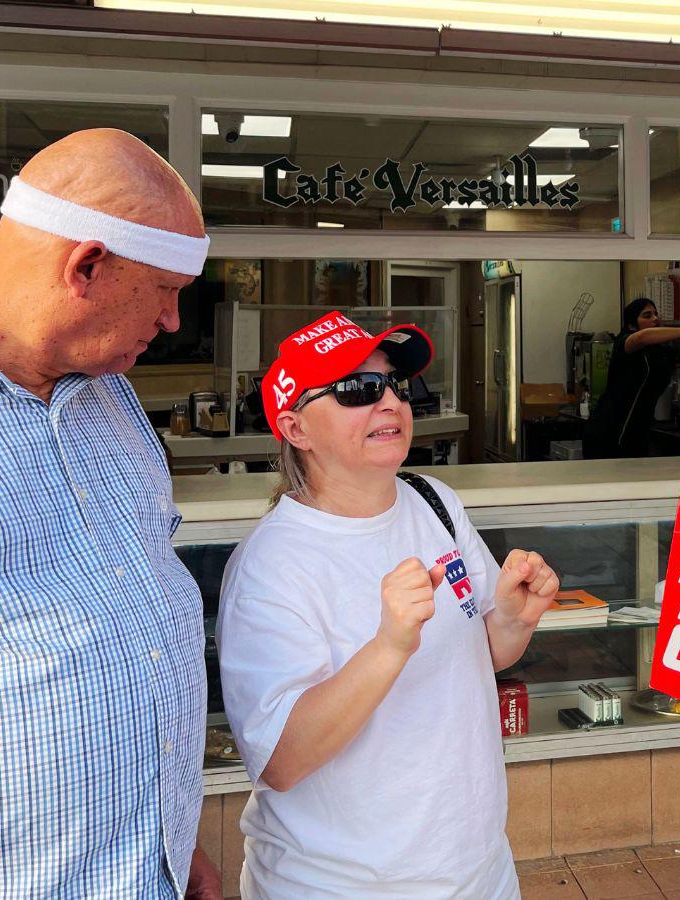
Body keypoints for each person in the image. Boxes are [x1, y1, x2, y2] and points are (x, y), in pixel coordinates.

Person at [0, 130, 221, 897]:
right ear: (86, 265)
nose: (169, 320)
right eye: (165, 288)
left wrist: (170, 838)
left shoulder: (112, 395)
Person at [217, 312, 561, 899]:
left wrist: (513, 617)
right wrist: (388, 647)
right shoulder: (272, 563)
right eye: (357, 389)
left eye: (397, 386)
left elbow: (481, 655)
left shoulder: (434, 500)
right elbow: (279, 760)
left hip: (476, 870)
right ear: (296, 428)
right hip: (341, 885)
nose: (389, 403)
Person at [584, 297, 680, 458]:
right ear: (631, 325)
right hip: (607, 431)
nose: (654, 318)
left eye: (655, 314)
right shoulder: (625, 342)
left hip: (638, 431)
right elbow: (641, 337)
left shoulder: (660, 351)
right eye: (647, 315)